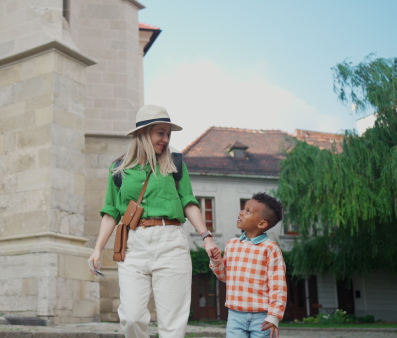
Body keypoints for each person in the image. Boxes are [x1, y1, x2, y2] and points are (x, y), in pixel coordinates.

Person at [88, 104, 218, 338]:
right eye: (161, 132)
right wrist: (97, 249)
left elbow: (189, 202)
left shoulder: (175, 163)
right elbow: (111, 212)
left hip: (170, 242)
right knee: (131, 317)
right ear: (143, 133)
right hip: (133, 244)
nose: (166, 139)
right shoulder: (118, 169)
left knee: (172, 323)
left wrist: (206, 238)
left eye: (168, 133)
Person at [208, 192, 287, 338]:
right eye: (243, 209)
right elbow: (224, 276)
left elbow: (278, 285)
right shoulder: (232, 245)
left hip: (262, 318)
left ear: (262, 223)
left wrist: (274, 315)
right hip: (235, 316)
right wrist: (216, 261)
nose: (241, 213)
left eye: (248, 211)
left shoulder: (270, 249)